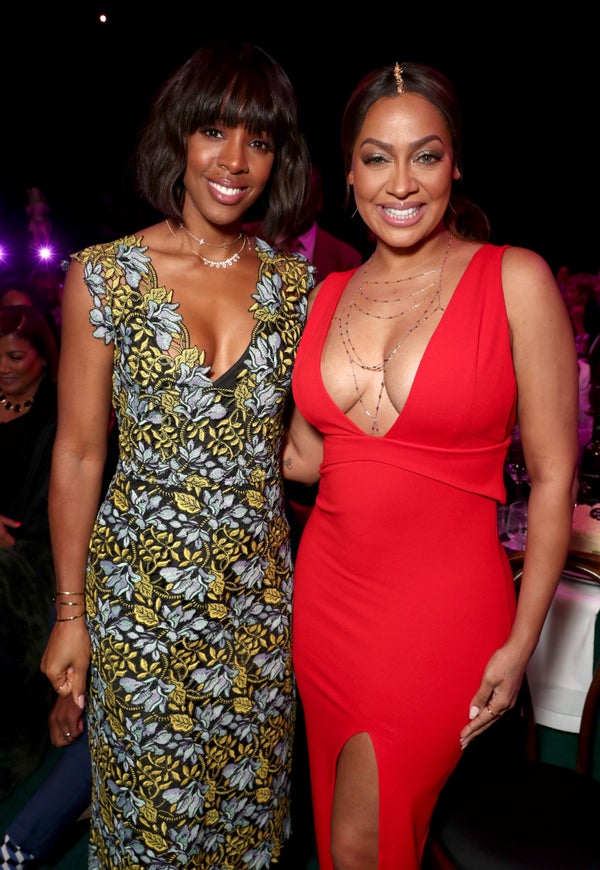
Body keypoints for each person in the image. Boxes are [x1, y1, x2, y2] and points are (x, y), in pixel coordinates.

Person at [282, 60, 579, 869]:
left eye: (426, 155)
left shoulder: (514, 279)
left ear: (456, 165)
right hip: (328, 602)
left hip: (443, 610)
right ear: (348, 173)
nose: (401, 182)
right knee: (344, 832)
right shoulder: (325, 295)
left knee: (366, 841)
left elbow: (554, 478)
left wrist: (521, 643)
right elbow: (307, 458)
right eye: (377, 157)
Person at [40, 39, 314, 869]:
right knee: (150, 830)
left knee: (246, 827)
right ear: (179, 139)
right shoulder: (106, 276)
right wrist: (70, 613)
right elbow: (78, 456)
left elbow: (304, 452)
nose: (234, 161)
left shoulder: (296, 288)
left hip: (258, 609)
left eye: (259, 140)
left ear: (279, 158)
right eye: (214, 132)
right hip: (141, 607)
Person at [0, 305, 59, 801]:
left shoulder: (60, 412)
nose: (3, 367)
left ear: (42, 359)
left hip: (37, 551)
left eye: (15, 356)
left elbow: (58, 502)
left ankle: (17, 745)